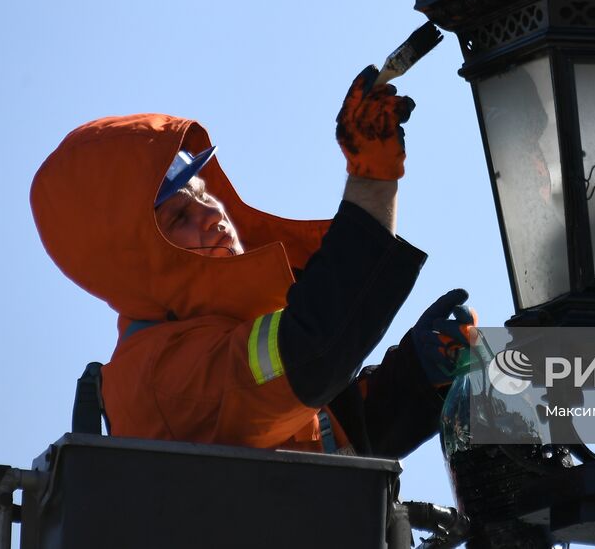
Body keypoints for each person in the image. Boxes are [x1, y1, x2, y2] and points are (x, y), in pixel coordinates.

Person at [31, 66, 476, 458]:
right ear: (136, 263)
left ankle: (545, 393)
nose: (213, 214)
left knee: (520, 381)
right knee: (524, 410)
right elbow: (311, 355)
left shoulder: (204, 340)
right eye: (181, 216)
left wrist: (418, 375)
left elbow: (333, 445)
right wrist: (371, 178)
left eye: (206, 195)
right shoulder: (159, 373)